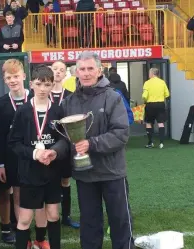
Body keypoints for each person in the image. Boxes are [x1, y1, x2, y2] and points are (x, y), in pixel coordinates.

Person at [49, 51, 134, 249]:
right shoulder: (69, 102)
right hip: (85, 174)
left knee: (120, 221)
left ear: (99, 70)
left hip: (112, 172)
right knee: (89, 223)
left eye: (90, 69)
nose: (86, 73)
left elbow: (121, 134)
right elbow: (64, 138)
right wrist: (56, 151)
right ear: (76, 72)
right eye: (82, 69)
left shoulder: (114, 97)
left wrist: (91, 144)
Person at [0, 59, 50, 248]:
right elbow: (0, 137)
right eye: (8, 77)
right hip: (13, 158)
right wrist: (0, 164)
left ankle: (40, 235)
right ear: (4, 79)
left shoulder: (37, 98)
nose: (13, 80)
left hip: (38, 157)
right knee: (17, 195)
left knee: (40, 195)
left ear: (24, 77)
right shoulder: (1, 104)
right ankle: (23, 235)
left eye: (16, 76)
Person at [9, 65, 65, 249]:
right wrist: (34, 153)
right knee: (25, 219)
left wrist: (53, 152)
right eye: (39, 84)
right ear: (31, 83)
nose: (43, 89)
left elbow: (65, 141)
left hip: (52, 172)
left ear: (52, 85)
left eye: (47, 85)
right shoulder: (23, 111)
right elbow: (14, 143)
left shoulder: (58, 111)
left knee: (54, 214)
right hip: (29, 173)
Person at [50, 61, 79, 229]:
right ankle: (49, 216)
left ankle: (66, 216)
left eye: (61, 70)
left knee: (65, 181)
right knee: (49, 181)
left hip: (66, 145)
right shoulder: (41, 93)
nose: (58, 72)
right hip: (47, 144)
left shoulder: (70, 95)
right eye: (55, 69)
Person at [142, 68, 170, 149]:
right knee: (160, 123)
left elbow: (144, 96)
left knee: (148, 123)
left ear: (152, 73)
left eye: (149, 73)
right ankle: (161, 143)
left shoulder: (147, 83)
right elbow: (167, 94)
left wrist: (144, 100)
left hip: (150, 105)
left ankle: (150, 142)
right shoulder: (162, 82)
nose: (149, 74)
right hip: (160, 104)